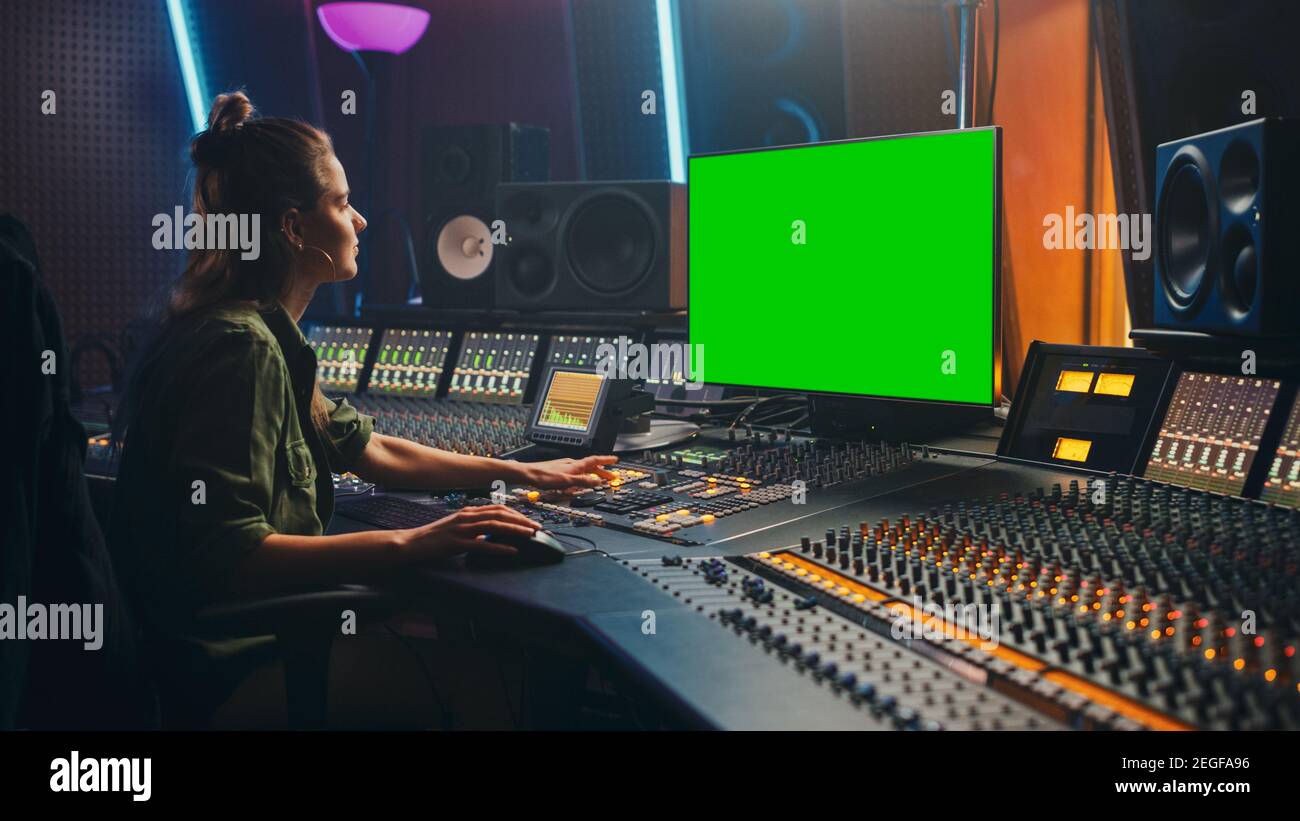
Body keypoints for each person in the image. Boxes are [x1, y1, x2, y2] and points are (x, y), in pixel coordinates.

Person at [109, 91, 616, 726]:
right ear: (294, 228)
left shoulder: (256, 331)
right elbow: (236, 554)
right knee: (495, 677)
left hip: (248, 646)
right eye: (343, 204)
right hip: (233, 670)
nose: (362, 221)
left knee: (466, 636)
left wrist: (525, 473)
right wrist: (412, 542)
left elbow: (369, 448)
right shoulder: (242, 348)